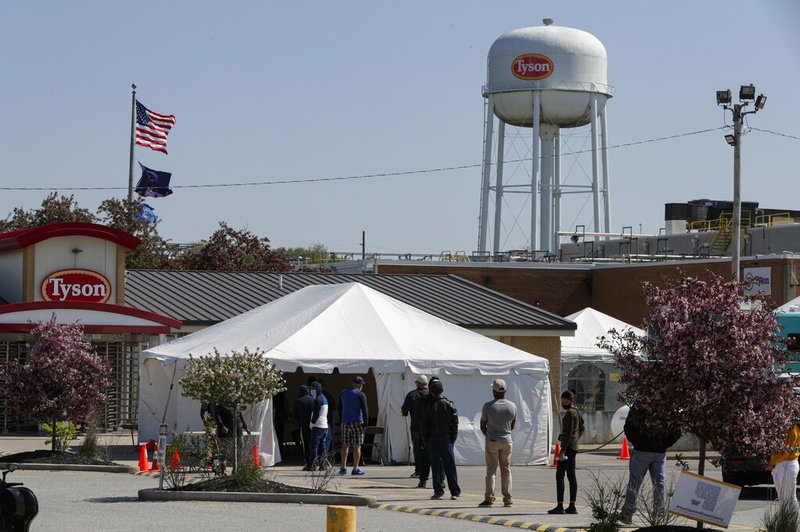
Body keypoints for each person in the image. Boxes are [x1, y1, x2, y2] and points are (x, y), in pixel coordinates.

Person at [619, 405, 682, 525]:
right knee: (660, 484)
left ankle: (627, 513)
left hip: (642, 450)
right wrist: (664, 443)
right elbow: (676, 429)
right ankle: (659, 516)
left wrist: (637, 441)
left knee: (635, 483)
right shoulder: (667, 402)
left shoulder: (640, 404)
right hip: (659, 451)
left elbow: (628, 427)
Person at [419, 378, 461, 500]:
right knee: (450, 467)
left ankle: (438, 491)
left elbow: (423, 426)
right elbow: (455, 424)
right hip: (446, 440)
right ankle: (455, 491)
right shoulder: (449, 404)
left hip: (433, 440)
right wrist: (452, 439)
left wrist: (424, 439)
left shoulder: (428, 406)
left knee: (436, 467)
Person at [479, 378, 517, 508]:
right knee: (506, 470)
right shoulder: (512, 406)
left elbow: (483, 425)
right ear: (505, 391)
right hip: (507, 439)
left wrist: (489, 435)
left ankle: (489, 498)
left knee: (491, 470)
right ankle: (508, 499)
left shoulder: (488, 406)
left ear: (493, 391)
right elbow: (512, 425)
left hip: (493, 440)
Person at [548, 390, 583, 515]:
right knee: (571, 475)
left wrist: (562, 451)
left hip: (567, 448)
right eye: (563, 400)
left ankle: (560, 505)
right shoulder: (577, 412)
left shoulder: (569, 413)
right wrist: (575, 440)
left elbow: (568, 434)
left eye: (566, 400)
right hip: (573, 447)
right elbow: (582, 428)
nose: (564, 402)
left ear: (571, 400)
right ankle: (572, 505)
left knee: (560, 475)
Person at [401, 374, 429, 485]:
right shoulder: (431, 394)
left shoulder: (412, 394)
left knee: (418, 450)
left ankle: (419, 471)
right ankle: (433, 472)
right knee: (431, 450)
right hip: (430, 427)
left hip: (416, 426)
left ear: (418, 383)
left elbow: (404, 410)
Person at [339, 376, 369, 476]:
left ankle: (343, 467)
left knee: (345, 445)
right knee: (357, 446)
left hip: (345, 421)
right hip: (357, 422)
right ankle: (355, 468)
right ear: (360, 384)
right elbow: (365, 410)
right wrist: (366, 422)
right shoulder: (361, 395)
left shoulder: (343, 392)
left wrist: (341, 419)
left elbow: (339, 407)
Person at [767, 423, 800, 512]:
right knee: (783, 499)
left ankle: (794, 523)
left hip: (787, 464)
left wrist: (771, 462)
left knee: (790, 499)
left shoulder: (792, 428)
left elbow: (786, 451)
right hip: (783, 464)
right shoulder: (784, 425)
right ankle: (786, 522)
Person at [212, 403, 250, 471]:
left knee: (240, 449)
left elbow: (240, 415)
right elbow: (217, 415)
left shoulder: (236, 402)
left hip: (238, 430)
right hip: (225, 430)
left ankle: (238, 468)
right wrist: (222, 426)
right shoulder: (221, 403)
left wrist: (245, 427)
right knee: (223, 450)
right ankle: (222, 469)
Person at [292, 385, 315, 470]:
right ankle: (314, 462)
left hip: (304, 425)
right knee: (314, 444)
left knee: (306, 444)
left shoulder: (299, 401)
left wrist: (299, 423)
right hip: (314, 425)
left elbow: (295, 414)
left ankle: (308, 463)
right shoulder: (313, 399)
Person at [309, 381, 330, 469]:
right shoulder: (324, 398)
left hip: (317, 425)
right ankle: (323, 464)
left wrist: (312, 423)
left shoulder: (317, 400)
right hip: (325, 425)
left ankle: (313, 465)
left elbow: (316, 414)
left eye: (312, 389)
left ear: (316, 389)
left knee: (314, 446)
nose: (311, 390)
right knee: (322, 446)